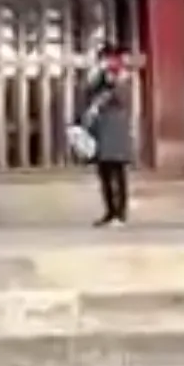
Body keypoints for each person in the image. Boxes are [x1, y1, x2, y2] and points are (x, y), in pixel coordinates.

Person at [81, 41, 133, 227]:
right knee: (104, 173)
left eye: (106, 58)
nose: (104, 62)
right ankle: (110, 211)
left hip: (117, 128)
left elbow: (120, 97)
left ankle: (120, 213)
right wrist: (96, 76)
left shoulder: (122, 76)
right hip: (102, 129)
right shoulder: (99, 77)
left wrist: (113, 81)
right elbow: (88, 93)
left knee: (118, 173)